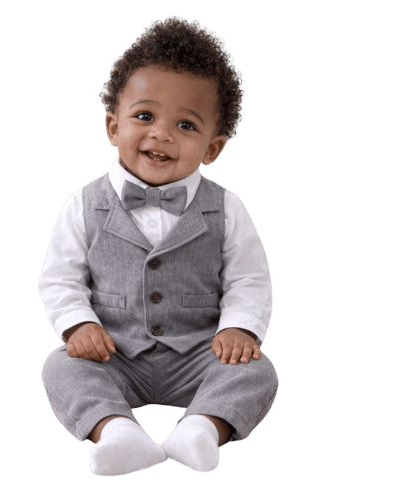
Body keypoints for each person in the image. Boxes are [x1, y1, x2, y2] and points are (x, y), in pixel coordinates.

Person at [38, 15, 279, 477]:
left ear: (212, 149)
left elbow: (249, 278)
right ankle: (116, 431)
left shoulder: (227, 208)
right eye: (144, 116)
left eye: (186, 124)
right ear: (113, 126)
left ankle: (201, 428)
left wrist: (240, 329)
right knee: (58, 367)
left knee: (258, 372)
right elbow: (60, 277)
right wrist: (78, 325)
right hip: (113, 355)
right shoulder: (83, 204)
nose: (161, 134)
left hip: (199, 355)